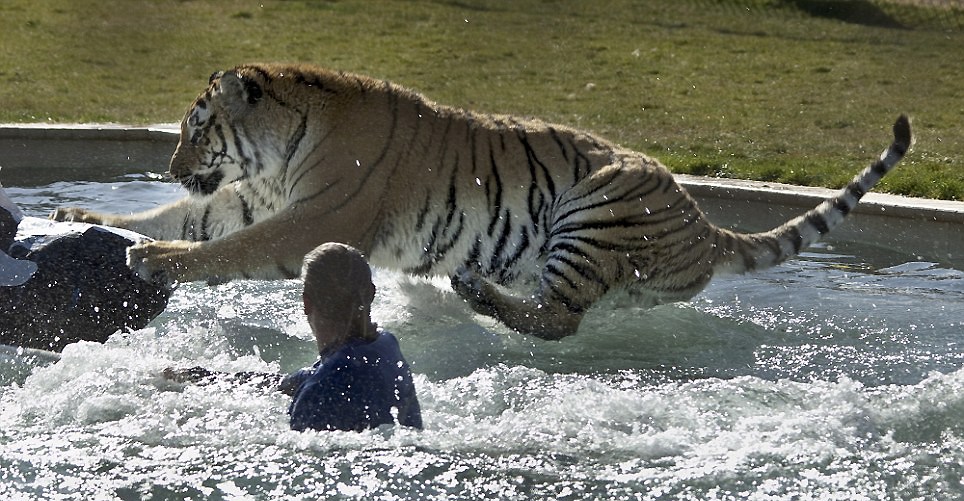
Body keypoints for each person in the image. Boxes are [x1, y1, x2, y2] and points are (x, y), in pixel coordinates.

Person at [164, 242, 422, 432]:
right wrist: (202, 377)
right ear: (372, 293)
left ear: (306, 303)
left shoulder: (319, 391)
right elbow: (291, 382)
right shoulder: (386, 346)